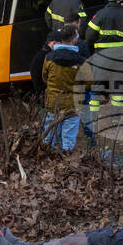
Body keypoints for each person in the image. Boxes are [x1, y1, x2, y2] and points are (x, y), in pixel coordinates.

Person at [42, 23, 93, 151]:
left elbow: (45, 78)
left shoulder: (48, 58)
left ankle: (46, 160)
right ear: (75, 39)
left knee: (49, 137)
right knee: (68, 140)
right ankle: (66, 164)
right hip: (73, 105)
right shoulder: (81, 62)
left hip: (53, 103)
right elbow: (89, 83)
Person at [29, 31, 61, 95]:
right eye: (61, 43)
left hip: (44, 93)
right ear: (54, 43)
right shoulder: (48, 56)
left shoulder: (42, 53)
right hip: (47, 94)